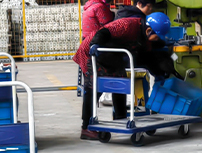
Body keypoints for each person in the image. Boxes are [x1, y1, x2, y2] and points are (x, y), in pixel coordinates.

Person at [73, 12, 173, 140]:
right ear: (149, 30)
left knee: (120, 84)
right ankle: (86, 128)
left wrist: (158, 73)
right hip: (93, 51)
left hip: (113, 54)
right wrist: (95, 44)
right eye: (157, 37)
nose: (157, 39)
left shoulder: (145, 36)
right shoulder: (127, 25)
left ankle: (120, 118)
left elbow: (146, 57)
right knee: (93, 89)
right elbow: (104, 32)